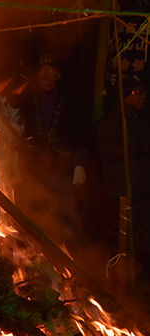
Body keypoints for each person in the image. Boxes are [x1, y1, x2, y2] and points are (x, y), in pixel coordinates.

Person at [14, 55, 87, 247]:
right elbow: (16, 132)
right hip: (33, 168)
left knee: (65, 213)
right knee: (35, 213)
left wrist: (80, 164)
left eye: (50, 70)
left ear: (58, 74)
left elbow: (81, 134)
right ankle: (38, 258)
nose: (45, 74)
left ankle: (74, 261)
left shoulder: (70, 101)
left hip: (60, 168)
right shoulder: (27, 102)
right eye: (41, 70)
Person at [96, 75, 150, 268]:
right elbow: (107, 149)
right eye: (138, 91)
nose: (143, 95)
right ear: (125, 95)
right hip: (124, 191)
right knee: (122, 239)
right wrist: (134, 148)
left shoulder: (142, 120)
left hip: (144, 189)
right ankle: (119, 277)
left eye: (143, 91)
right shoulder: (111, 122)